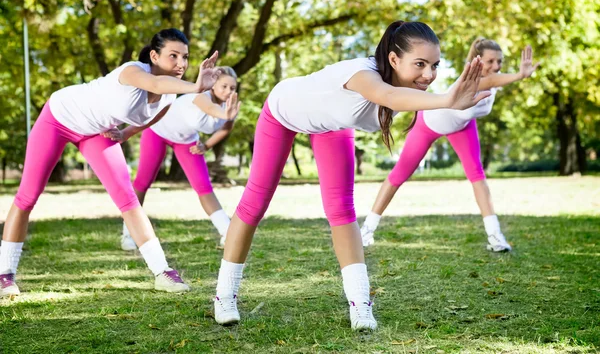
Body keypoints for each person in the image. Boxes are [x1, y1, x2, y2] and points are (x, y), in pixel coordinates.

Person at [212, 21, 490, 330]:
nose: (429, 74)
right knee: (256, 202)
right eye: (420, 64)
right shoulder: (364, 75)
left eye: (435, 65)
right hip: (282, 112)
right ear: (395, 60)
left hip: (331, 124)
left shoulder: (409, 87)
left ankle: (360, 305)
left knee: (342, 210)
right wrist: (447, 98)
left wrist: (457, 97)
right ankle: (224, 296)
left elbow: (419, 105)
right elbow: (390, 97)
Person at [0, 28, 221, 297]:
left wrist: (126, 132)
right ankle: (5, 274)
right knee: (28, 196)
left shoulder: (170, 95)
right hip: (60, 117)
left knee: (128, 198)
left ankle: (162, 272)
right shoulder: (133, 71)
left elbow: (153, 116)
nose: (181, 64)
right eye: (173, 56)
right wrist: (197, 87)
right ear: (154, 55)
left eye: (185, 57)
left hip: (97, 131)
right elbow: (155, 85)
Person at [360, 39, 539, 252]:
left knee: (477, 175)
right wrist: (520, 75)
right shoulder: (474, 79)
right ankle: (366, 230)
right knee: (399, 175)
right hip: (430, 123)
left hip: (462, 126)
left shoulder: (493, 80)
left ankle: (495, 236)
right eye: (490, 61)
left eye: (499, 61)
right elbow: (491, 82)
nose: (496, 66)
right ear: (477, 61)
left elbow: (494, 81)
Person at [116, 66, 241, 250]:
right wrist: (226, 114)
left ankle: (227, 233)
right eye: (224, 86)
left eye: (232, 88)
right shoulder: (201, 96)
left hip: (186, 140)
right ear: (213, 85)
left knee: (203, 186)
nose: (228, 91)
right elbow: (212, 110)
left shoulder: (229, 107)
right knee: (143, 182)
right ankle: (128, 234)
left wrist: (206, 145)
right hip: (158, 131)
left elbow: (227, 128)